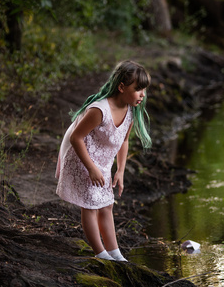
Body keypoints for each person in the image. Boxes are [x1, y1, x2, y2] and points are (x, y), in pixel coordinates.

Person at [55, 60, 152, 261]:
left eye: (144, 90)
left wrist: (121, 170)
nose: (142, 95)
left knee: (106, 205)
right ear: (122, 87)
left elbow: (123, 141)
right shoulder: (99, 110)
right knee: (90, 205)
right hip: (83, 157)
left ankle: (115, 252)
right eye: (138, 89)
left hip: (103, 160)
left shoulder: (131, 110)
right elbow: (76, 138)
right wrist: (91, 168)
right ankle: (100, 254)